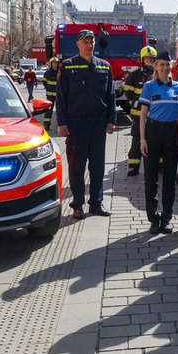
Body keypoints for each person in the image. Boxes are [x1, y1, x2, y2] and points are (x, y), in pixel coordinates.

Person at [56, 29, 116, 219]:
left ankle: (96, 203)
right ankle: (77, 205)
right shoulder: (67, 66)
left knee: (98, 167)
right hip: (76, 124)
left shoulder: (104, 67)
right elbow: (61, 97)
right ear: (78, 44)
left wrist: (111, 120)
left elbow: (111, 95)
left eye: (92, 42)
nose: (89, 45)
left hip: (98, 124)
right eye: (86, 42)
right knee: (76, 167)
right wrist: (62, 122)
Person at [139, 51, 178, 235]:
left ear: (171, 66)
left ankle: (166, 217)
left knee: (169, 178)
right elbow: (142, 115)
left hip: (171, 133)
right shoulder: (149, 87)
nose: (165, 68)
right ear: (156, 67)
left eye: (168, 64)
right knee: (150, 178)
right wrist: (142, 139)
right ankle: (153, 219)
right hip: (153, 132)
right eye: (161, 65)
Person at [124, 46, 157, 176]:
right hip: (138, 116)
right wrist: (135, 105)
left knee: (155, 140)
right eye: (147, 58)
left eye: (151, 58)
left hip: (155, 116)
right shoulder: (134, 75)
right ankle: (133, 166)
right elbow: (128, 92)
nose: (149, 60)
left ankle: (159, 164)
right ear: (142, 59)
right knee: (137, 140)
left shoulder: (158, 75)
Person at [42, 57, 60, 129]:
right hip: (49, 95)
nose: (54, 64)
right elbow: (44, 82)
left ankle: (60, 125)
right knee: (48, 110)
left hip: (58, 95)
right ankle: (46, 125)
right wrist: (48, 88)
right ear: (51, 64)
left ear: (58, 64)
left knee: (59, 111)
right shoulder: (47, 73)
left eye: (56, 63)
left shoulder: (60, 72)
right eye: (53, 63)